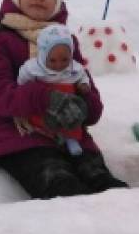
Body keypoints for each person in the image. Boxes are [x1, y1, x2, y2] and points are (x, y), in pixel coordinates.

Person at [0, 0, 128, 199]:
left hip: (71, 136)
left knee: (103, 183)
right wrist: (46, 97)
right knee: (60, 184)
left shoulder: (65, 40)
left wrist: (83, 104)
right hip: (19, 136)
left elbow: (89, 98)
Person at [16, 24, 91, 156]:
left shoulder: (74, 68)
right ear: (43, 54)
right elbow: (22, 79)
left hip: (68, 102)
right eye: (52, 60)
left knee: (71, 120)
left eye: (64, 59)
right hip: (46, 102)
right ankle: (47, 137)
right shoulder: (33, 68)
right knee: (42, 121)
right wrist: (22, 89)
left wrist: (83, 84)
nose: (59, 65)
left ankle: (71, 139)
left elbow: (83, 76)